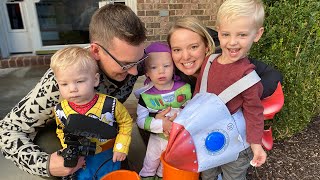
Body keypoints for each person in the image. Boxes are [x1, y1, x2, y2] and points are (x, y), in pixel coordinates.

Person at [0, 4, 146, 178]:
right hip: (63, 131)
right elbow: (7, 130)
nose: (135, 72)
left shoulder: (132, 58)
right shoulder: (62, 83)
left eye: (139, 60)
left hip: (103, 127)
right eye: (125, 64)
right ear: (96, 51)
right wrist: (44, 165)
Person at [166, 1, 271, 179]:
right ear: (218, 32)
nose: (232, 42)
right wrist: (185, 118)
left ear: (257, 34)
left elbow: (254, 112)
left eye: (242, 35)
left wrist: (255, 144)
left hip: (237, 144)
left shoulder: (248, 77)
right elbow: (198, 98)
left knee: (233, 177)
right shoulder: (209, 62)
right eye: (226, 34)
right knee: (207, 175)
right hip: (207, 138)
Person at [50, 46, 133, 179]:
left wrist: (120, 146)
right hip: (81, 159)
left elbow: (126, 122)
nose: (72, 89)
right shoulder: (60, 110)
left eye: (80, 81)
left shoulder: (110, 104)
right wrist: (70, 149)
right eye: (64, 84)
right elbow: (61, 130)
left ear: (95, 80)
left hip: (107, 155)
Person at [136, 42, 192, 179]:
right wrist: (162, 125)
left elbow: (193, 111)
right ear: (147, 72)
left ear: (174, 67)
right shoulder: (146, 97)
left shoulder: (184, 89)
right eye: (154, 67)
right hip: (157, 138)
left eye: (166, 66)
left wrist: (179, 119)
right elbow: (141, 121)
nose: (161, 71)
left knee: (166, 167)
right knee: (150, 164)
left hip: (179, 139)